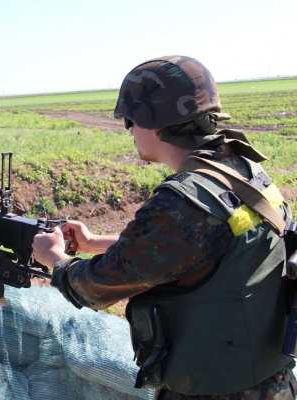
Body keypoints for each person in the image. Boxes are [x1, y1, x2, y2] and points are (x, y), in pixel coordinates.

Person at [32, 55, 296, 399]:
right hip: (273, 383)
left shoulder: (183, 200)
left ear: (152, 124)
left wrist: (54, 259)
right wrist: (95, 242)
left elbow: (94, 288)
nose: (129, 131)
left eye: (130, 122)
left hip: (215, 391)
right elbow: (208, 243)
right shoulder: (240, 167)